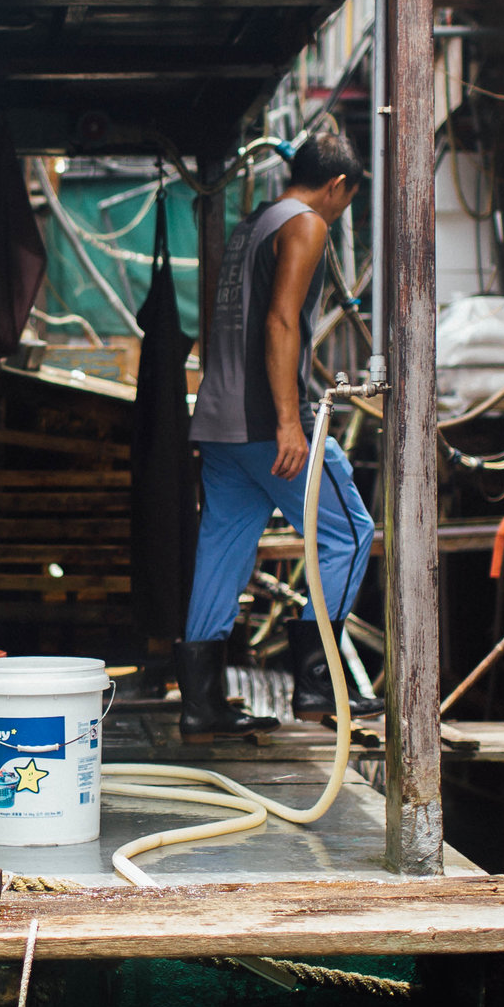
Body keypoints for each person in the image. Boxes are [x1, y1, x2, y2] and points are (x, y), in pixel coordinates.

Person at [179, 132, 378, 737]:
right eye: (347, 200)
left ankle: (201, 706)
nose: (342, 212)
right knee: (350, 531)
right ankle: (318, 685)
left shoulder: (251, 225)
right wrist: (291, 421)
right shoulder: (308, 222)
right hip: (269, 424)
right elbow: (280, 319)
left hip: (219, 424)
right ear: (338, 185)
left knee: (221, 553)